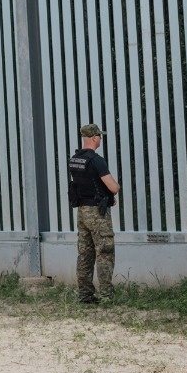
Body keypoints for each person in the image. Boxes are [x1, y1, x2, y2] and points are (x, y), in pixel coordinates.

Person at [68, 123, 121, 304]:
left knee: (85, 254)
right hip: (97, 213)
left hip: (82, 212)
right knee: (105, 252)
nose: (100, 139)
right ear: (94, 138)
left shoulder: (75, 159)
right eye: (99, 136)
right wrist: (115, 189)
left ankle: (85, 295)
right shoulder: (96, 160)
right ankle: (106, 296)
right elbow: (113, 187)